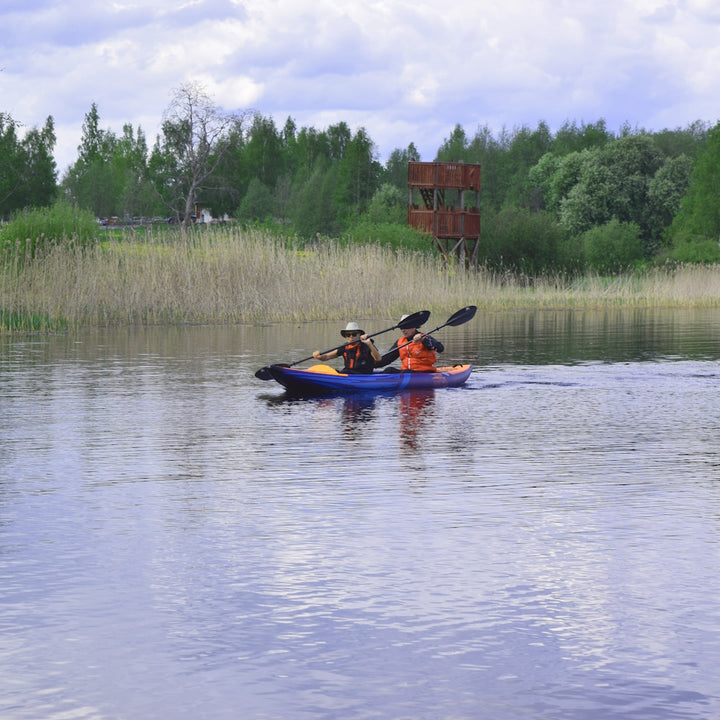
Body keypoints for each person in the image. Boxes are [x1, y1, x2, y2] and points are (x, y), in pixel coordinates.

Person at [377, 314, 444, 372]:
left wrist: (423, 340)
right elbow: (387, 359)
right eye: (401, 328)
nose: (403, 330)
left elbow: (440, 348)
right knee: (389, 370)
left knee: (406, 372)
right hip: (406, 372)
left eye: (406, 327)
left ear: (414, 327)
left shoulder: (425, 337)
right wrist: (370, 364)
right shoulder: (400, 342)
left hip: (424, 372)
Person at [312, 321, 382, 374]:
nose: (351, 337)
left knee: (344, 372)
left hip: (363, 374)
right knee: (335, 371)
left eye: (354, 334)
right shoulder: (344, 347)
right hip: (348, 373)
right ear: (346, 337)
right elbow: (327, 357)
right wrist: (318, 356)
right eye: (348, 335)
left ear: (359, 335)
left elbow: (378, 358)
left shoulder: (366, 344)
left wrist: (369, 344)